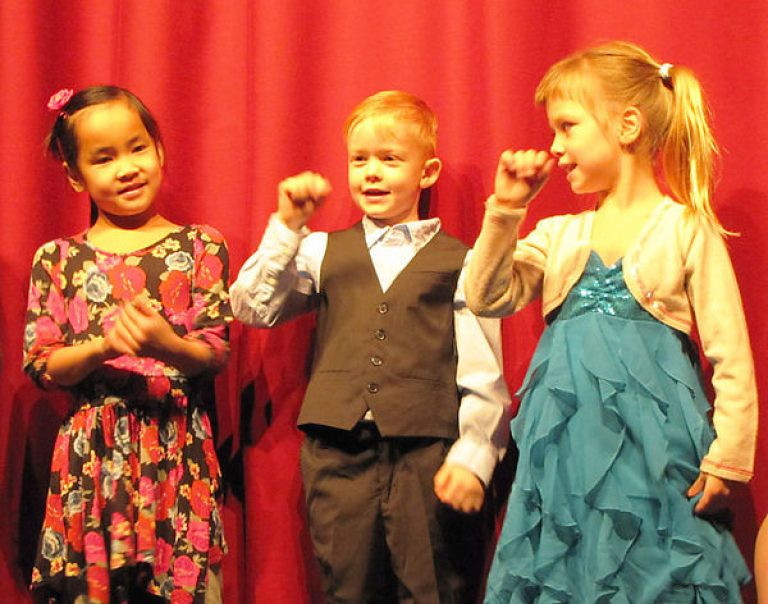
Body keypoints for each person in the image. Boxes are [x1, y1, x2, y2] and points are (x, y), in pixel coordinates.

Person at [465, 42, 757, 602]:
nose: (555, 147)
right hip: (567, 461)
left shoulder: (684, 228)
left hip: (656, 460)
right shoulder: (559, 235)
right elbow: (485, 295)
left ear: (627, 125)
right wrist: (506, 210)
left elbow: (730, 353)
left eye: (567, 127)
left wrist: (729, 459)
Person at [230, 90, 511, 603]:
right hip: (338, 454)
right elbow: (251, 306)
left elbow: (483, 370)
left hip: (427, 455)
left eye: (389, 159)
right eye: (359, 160)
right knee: (349, 589)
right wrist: (286, 227)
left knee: (434, 589)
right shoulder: (320, 249)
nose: (372, 173)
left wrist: (474, 457)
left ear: (427, 172)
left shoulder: (463, 261)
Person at [24, 86, 232, 603]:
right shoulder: (56, 258)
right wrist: (101, 347)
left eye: (137, 148)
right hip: (92, 465)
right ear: (76, 175)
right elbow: (43, 363)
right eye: (104, 158)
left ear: (158, 148)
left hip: (176, 453)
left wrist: (165, 345)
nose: (127, 168)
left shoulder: (200, 245)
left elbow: (213, 352)